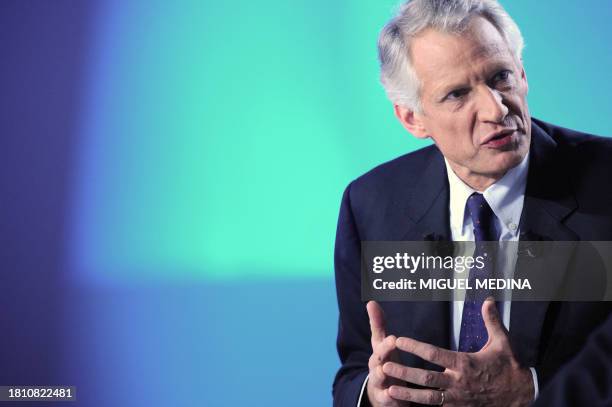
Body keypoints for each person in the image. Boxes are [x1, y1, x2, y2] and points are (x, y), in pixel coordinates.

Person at [332, 1, 612, 406]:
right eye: (458, 94)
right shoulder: (371, 204)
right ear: (413, 118)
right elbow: (355, 367)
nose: (496, 109)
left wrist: (531, 390)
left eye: (500, 77)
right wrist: (373, 395)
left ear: (522, 74)